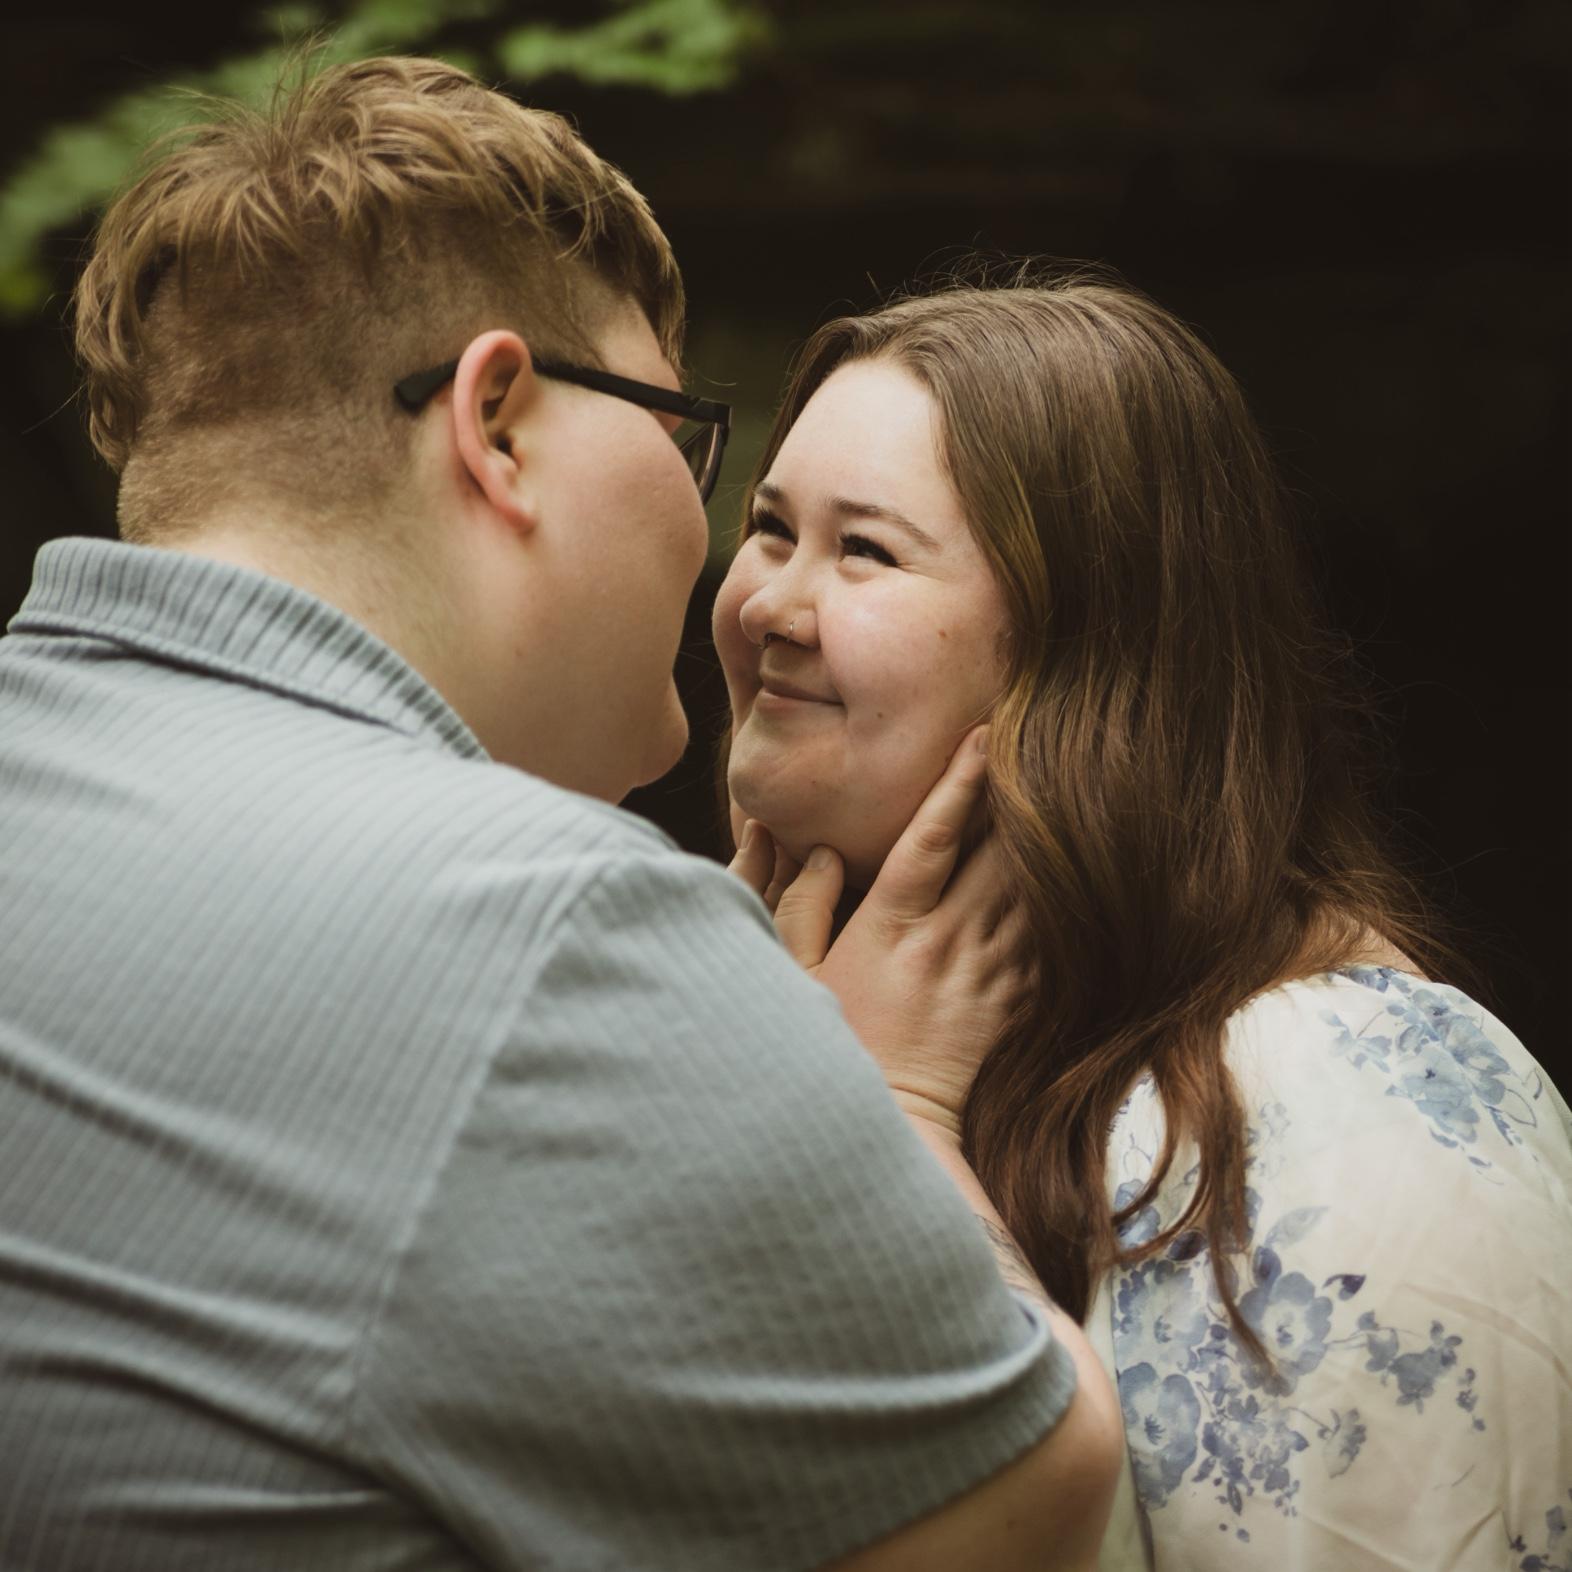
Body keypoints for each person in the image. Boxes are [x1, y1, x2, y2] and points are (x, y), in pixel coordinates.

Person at [0, 59, 1124, 1571]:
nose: (738, 572)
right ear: (499, 422)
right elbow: (1033, 1502)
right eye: (689, 438)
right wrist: (896, 1096)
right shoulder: (543, 922)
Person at [715, 271, 1572, 1571]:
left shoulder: (1342, 1106)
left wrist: (885, 1126)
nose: (766, 603)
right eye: (770, 528)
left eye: (865, 551)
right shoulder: (766, 1010)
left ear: (1088, 650)